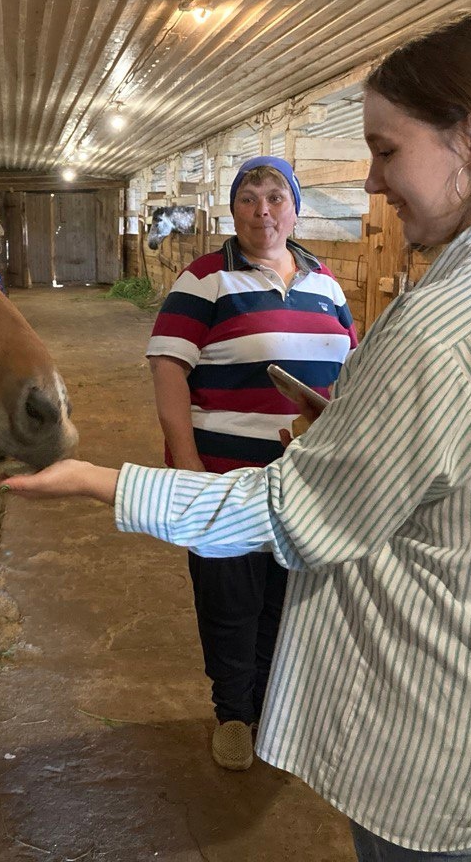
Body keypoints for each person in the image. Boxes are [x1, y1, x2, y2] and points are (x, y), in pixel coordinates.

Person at [0, 14, 471, 861]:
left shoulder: (448, 322)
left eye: (386, 150)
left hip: (447, 742)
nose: (374, 183)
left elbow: (290, 516)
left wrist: (98, 482)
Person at [148, 155, 355, 770]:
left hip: (306, 480)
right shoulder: (204, 279)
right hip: (225, 476)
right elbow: (168, 370)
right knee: (229, 598)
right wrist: (186, 462)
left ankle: (270, 709)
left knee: (286, 599)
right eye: (248, 198)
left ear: (295, 208)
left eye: (275, 197)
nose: (263, 210)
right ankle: (234, 714)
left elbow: (349, 369)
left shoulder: (326, 284)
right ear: (233, 210)